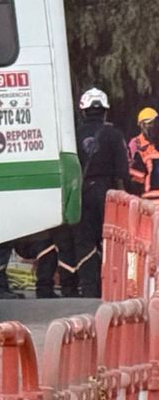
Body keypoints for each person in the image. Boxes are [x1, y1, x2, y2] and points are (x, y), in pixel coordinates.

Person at [65, 88, 126, 298]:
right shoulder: (115, 135)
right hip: (108, 193)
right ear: (105, 111)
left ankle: (90, 289)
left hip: (81, 192)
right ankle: (112, 287)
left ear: (83, 111)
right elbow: (122, 172)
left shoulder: (72, 136)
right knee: (112, 239)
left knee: (84, 240)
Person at [130, 107, 159, 197]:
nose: (152, 127)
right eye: (149, 123)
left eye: (154, 123)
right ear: (141, 125)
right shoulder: (136, 144)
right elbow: (134, 176)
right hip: (147, 197)